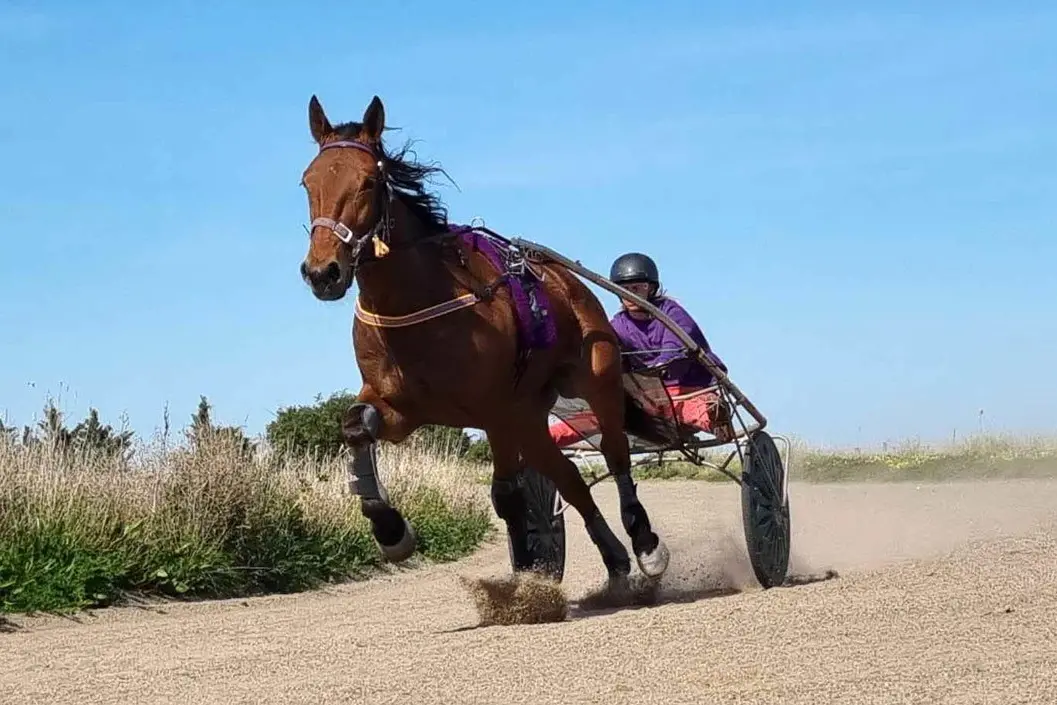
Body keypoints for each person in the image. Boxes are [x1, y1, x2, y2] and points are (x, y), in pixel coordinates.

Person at [549, 252, 734, 446]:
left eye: (637, 288)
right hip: (647, 400)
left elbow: (675, 346)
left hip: (687, 389)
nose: (630, 294)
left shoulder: (670, 312)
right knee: (595, 416)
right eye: (624, 290)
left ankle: (714, 417)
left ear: (651, 288)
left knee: (688, 410)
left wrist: (657, 368)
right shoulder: (619, 324)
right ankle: (537, 444)